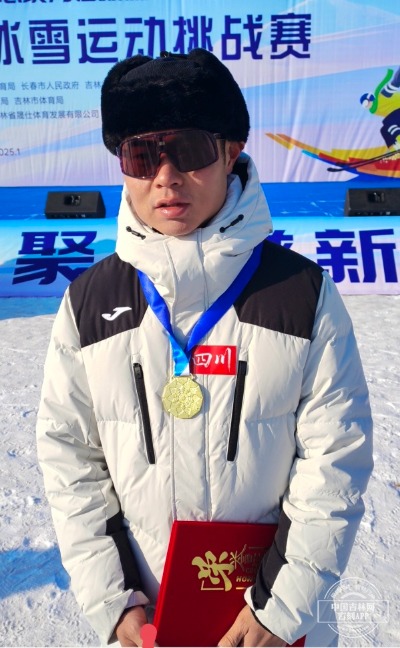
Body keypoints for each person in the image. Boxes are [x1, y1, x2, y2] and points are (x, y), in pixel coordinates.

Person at [36, 49, 373, 647]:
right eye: (141, 155)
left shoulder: (301, 295)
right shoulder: (89, 302)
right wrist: (114, 603)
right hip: (149, 623)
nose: (165, 177)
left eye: (188, 150)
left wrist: (280, 610)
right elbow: (70, 461)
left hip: (276, 626)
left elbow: (335, 461)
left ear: (231, 151)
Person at [360, 66, 400, 149]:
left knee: (388, 122)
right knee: (383, 130)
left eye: (366, 103)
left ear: (370, 99)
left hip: (398, 110)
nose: (367, 106)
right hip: (396, 116)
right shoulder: (374, 111)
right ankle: (394, 147)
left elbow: (394, 83)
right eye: (364, 106)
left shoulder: (383, 95)